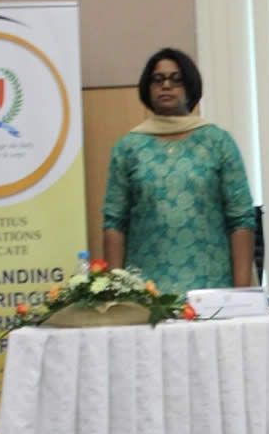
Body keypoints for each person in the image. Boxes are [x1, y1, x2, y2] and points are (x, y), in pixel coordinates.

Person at [102, 48, 256, 294]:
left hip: (213, 289)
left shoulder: (217, 141)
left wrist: (240, 295)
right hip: (145, 295)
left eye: (176, 79)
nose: (166, 86)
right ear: (146, 88)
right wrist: (113, 293)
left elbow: (241, 219)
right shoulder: (128, 147)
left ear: (190, 87)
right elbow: (114, 222)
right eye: (158, 79)